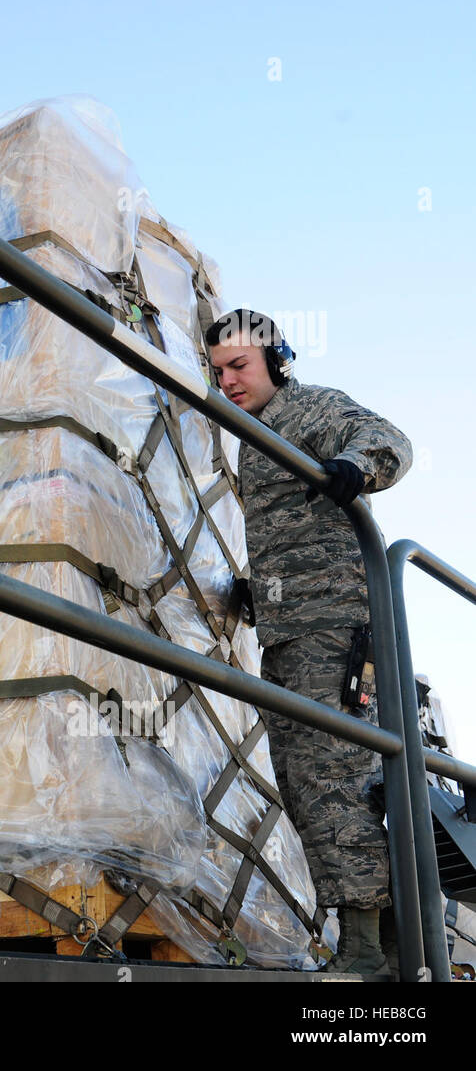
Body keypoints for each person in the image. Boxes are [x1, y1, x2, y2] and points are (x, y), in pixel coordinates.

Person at [206, 310, 412, 976]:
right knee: (298, 780)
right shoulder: (249, 435)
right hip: (286, 632)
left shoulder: (314, 407)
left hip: (339, 624)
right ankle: (379, 937)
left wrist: (355, 465)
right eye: (218, 371)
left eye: (239, 365)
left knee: (335, 776)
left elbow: (389, 440)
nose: (228, 380)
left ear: (278, 359)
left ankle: (366, 945)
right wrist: (255, 588)